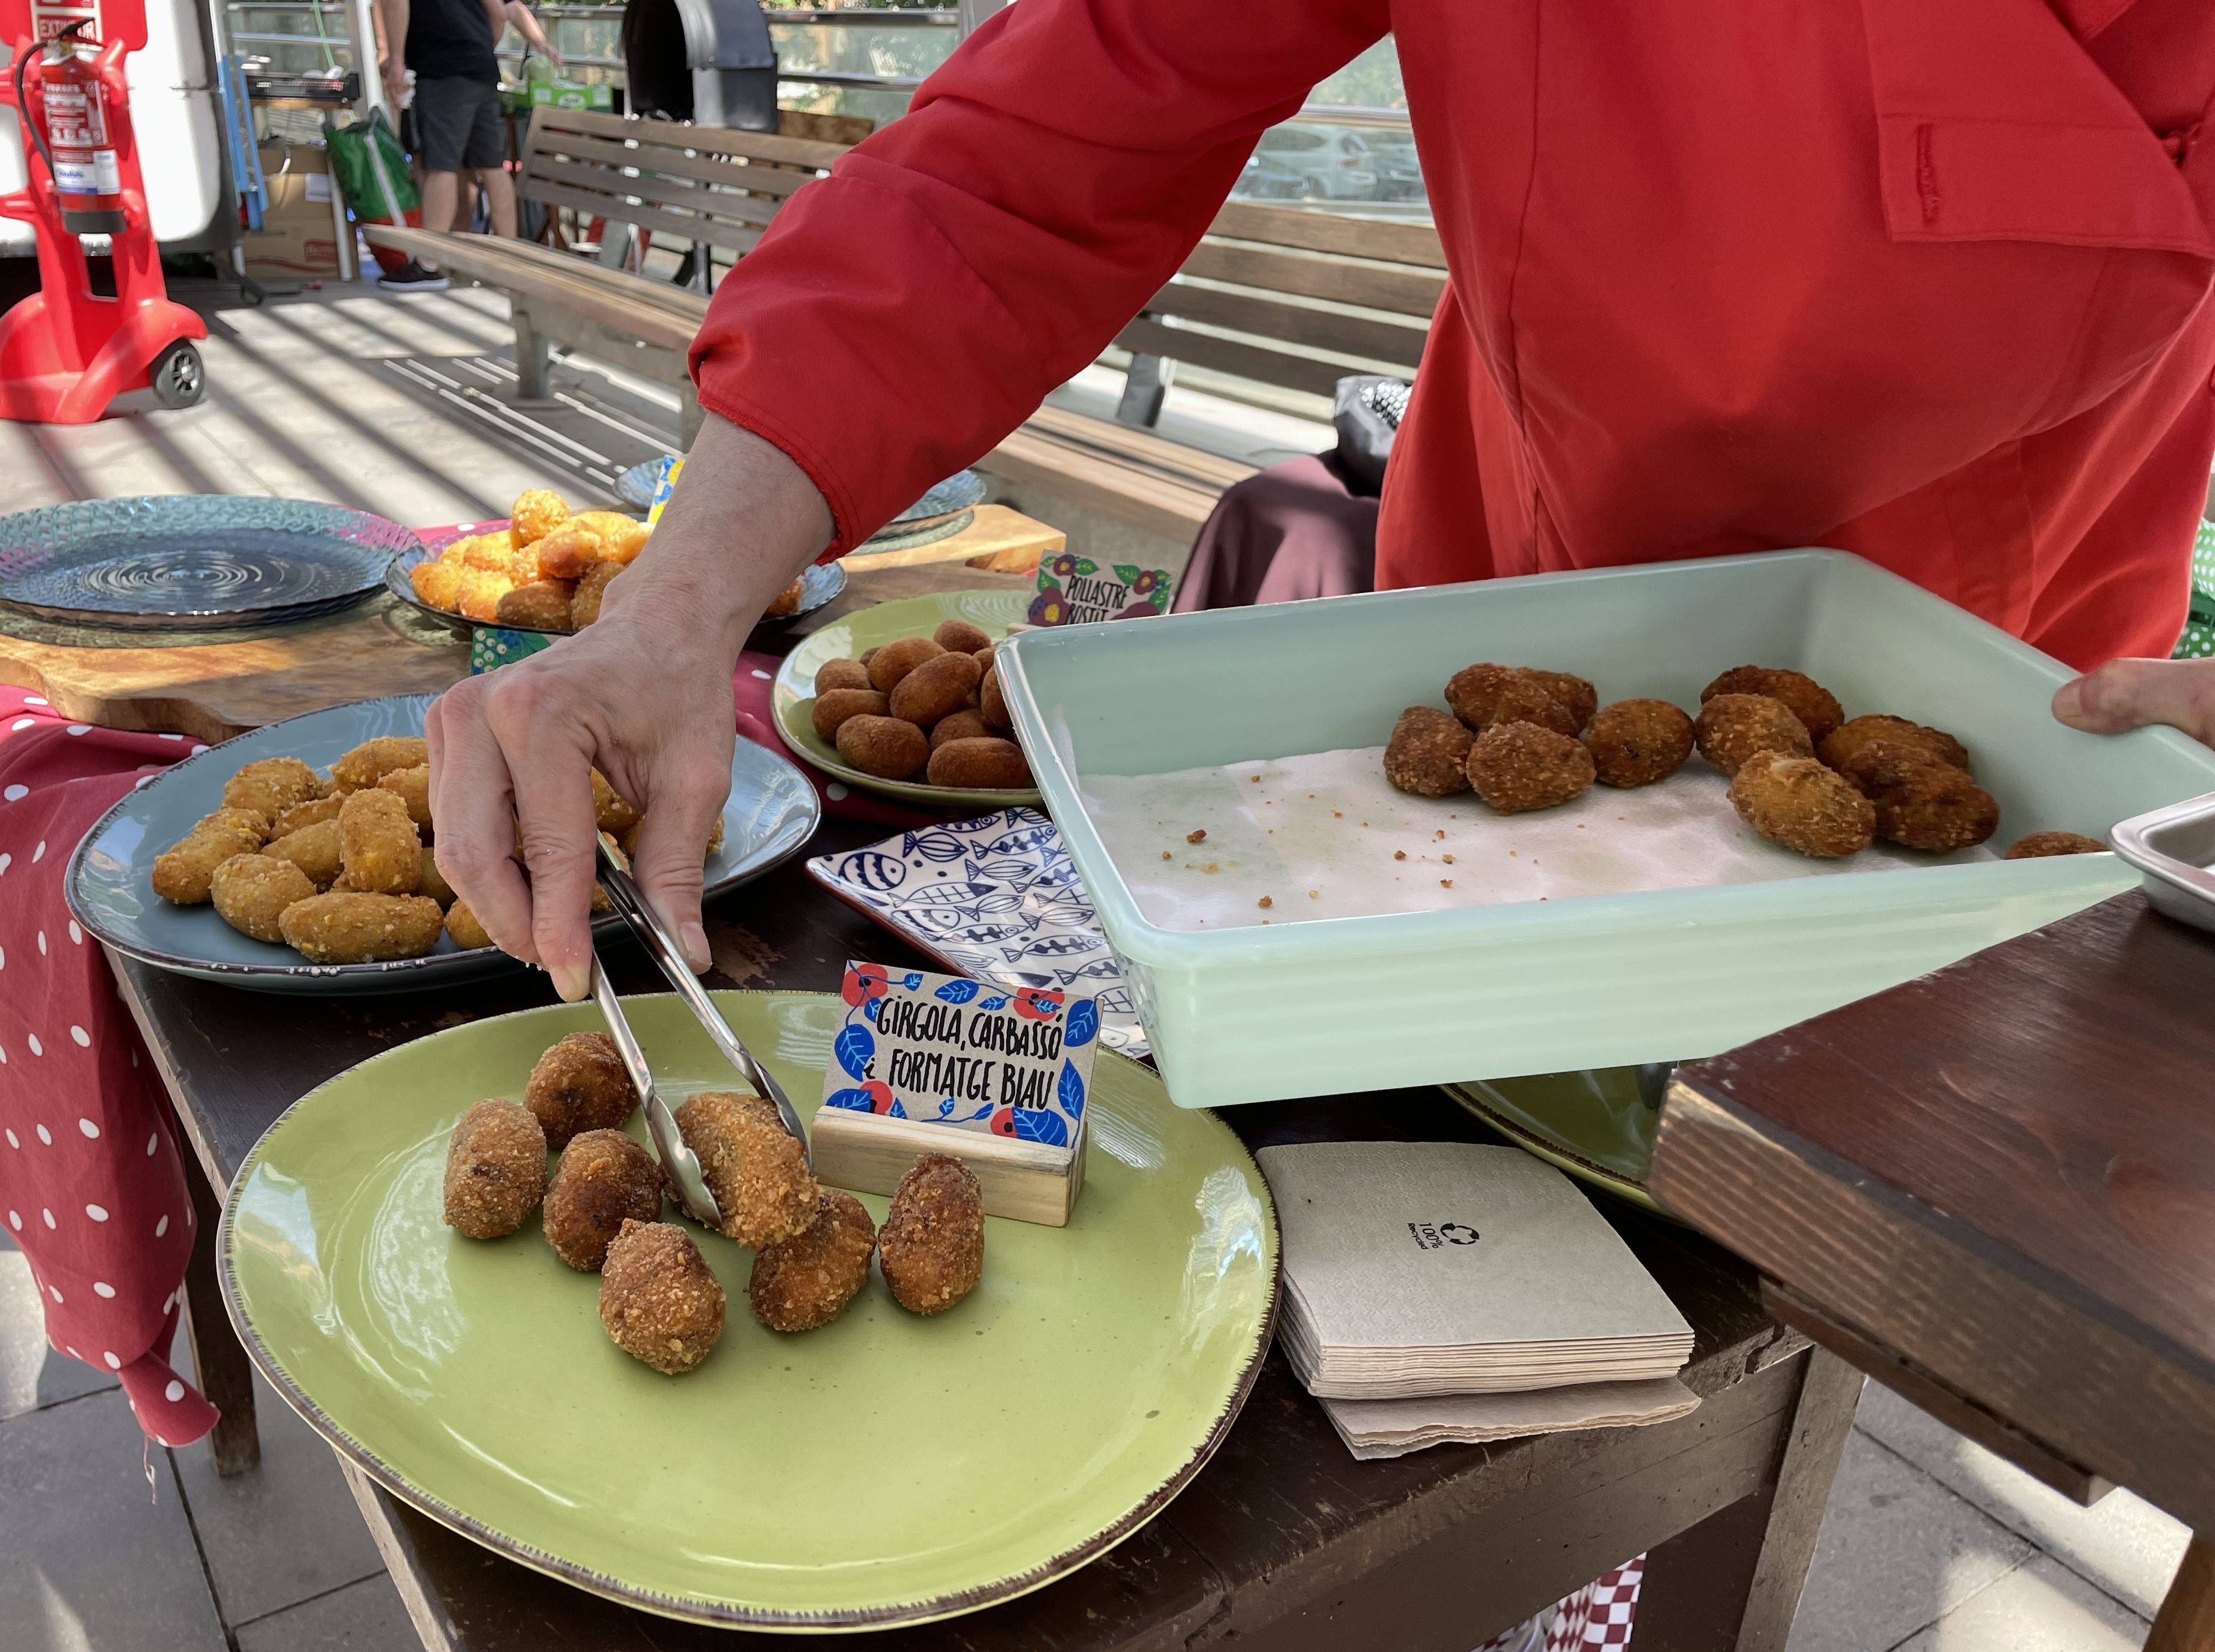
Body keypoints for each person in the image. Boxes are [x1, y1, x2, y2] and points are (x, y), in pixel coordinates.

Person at [427, 0, 2215, 998]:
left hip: (2002, 688)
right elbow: (1025, 166)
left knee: (1807, 1264)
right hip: (1496, 602)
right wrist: (670, 613)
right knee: (1449, 1166)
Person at [374, 0, 554, 288]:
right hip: (481, 67)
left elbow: (395, 3)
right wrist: (481, 46)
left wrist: (396, 60)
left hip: (440, 68)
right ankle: (508, 257)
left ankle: (429, 264)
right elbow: (499, 11)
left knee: (440, 166)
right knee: (492, 166)